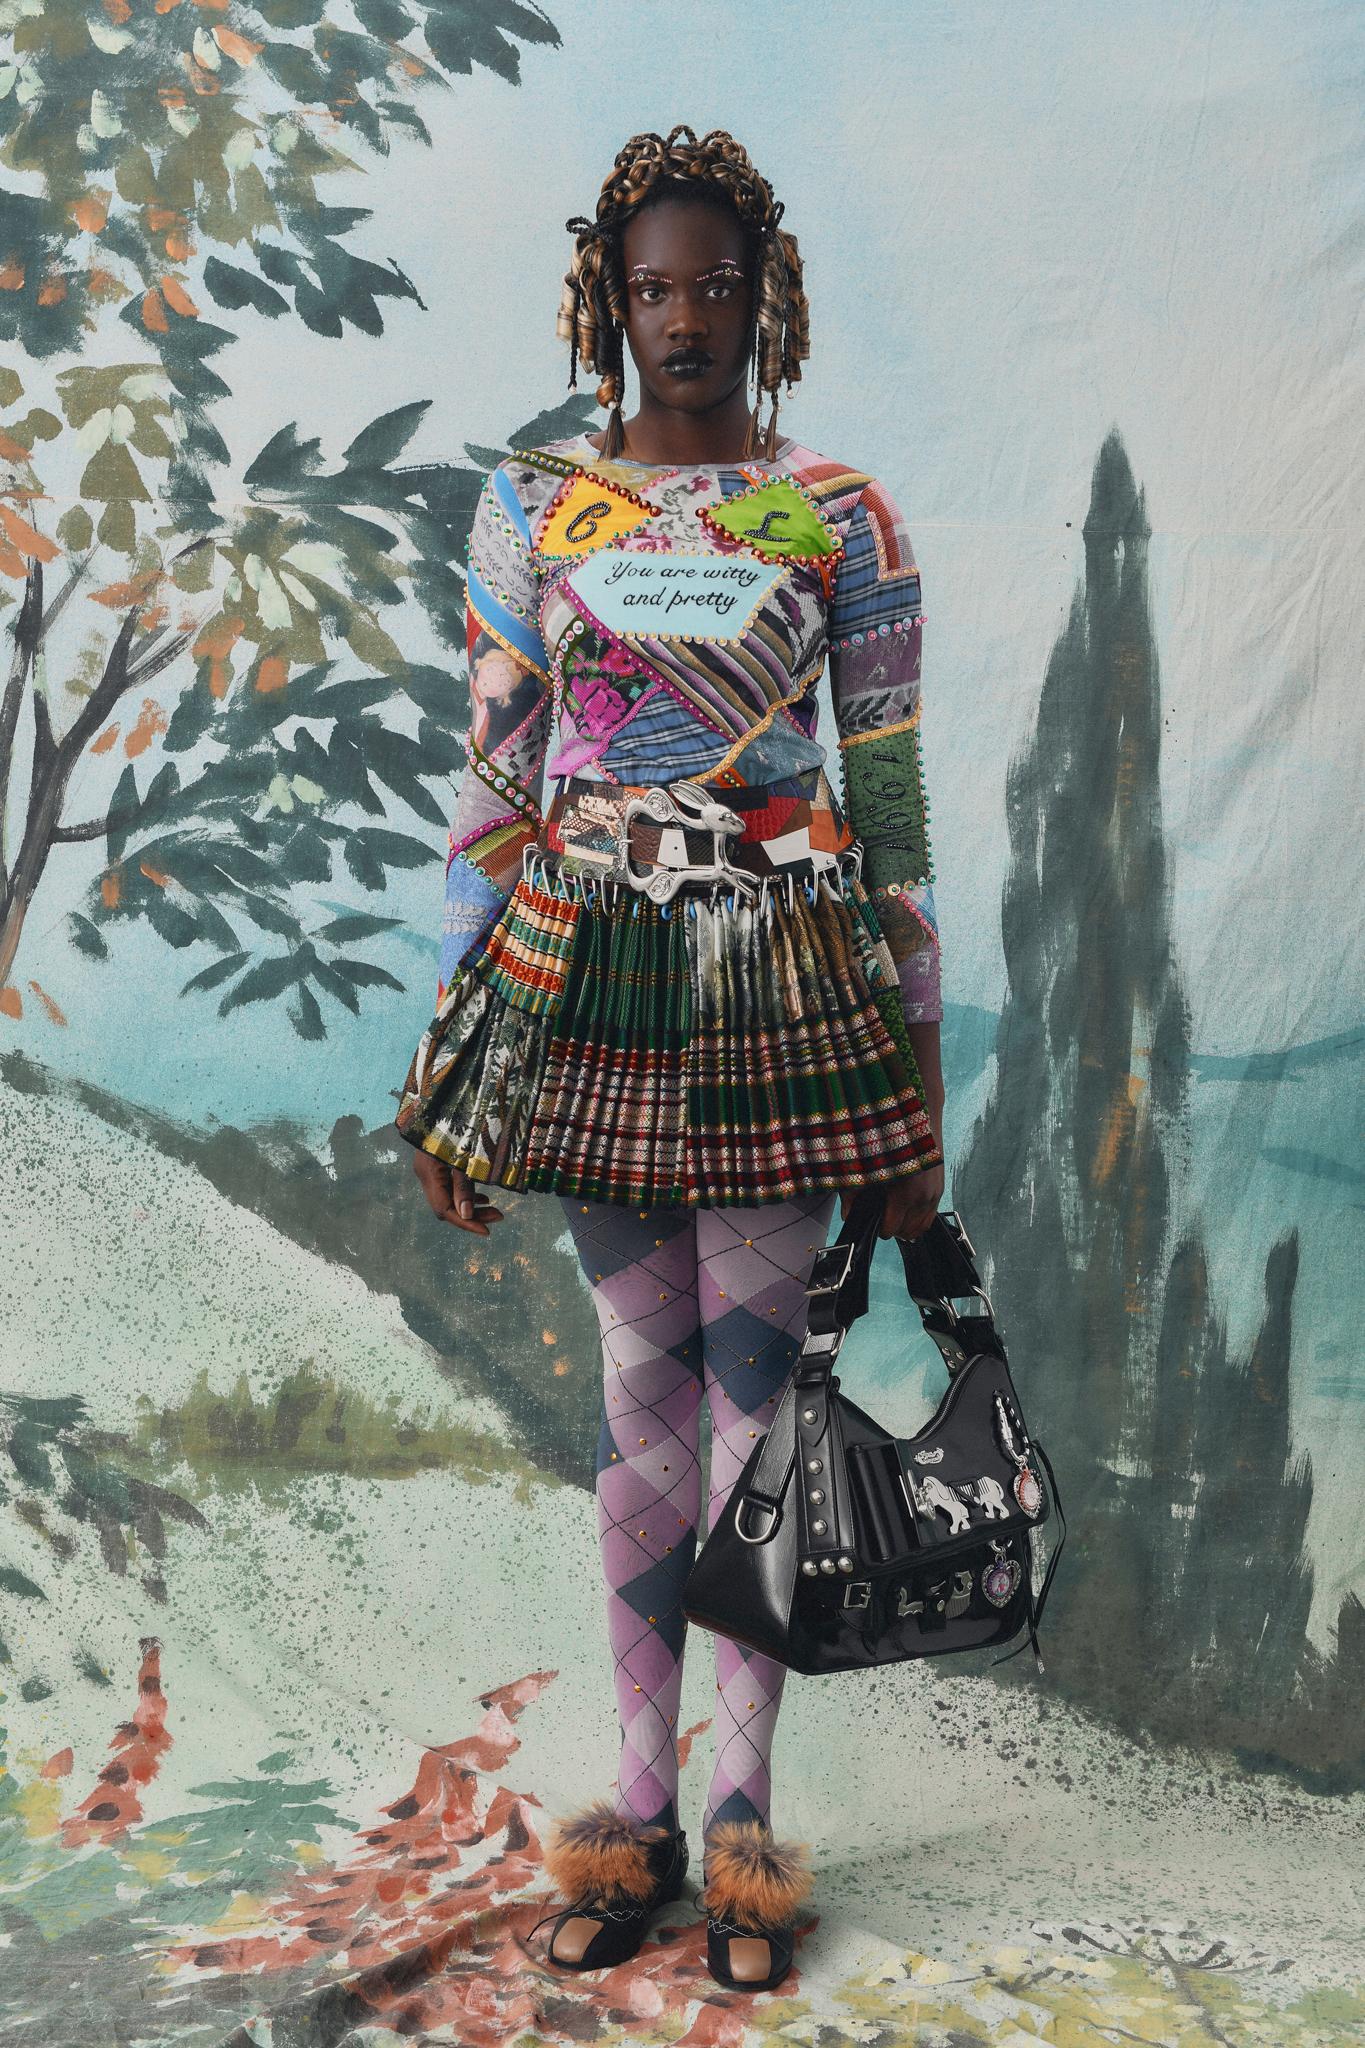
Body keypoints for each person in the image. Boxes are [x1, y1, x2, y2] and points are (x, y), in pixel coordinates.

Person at [396, 124, 946, 1994]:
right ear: (605, 304)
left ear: (765, 296)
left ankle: (742, 1832)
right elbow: (493, 789)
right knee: (644, 1388)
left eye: (717, 284)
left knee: (752, 1405)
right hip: (587, 984)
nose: (684, 316)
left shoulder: (842, 517)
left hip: (783, 991)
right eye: (652, 288)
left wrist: (917, 1084)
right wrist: (450, 1054)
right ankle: (628, 1820)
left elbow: (890, 808)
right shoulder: (531, 510)